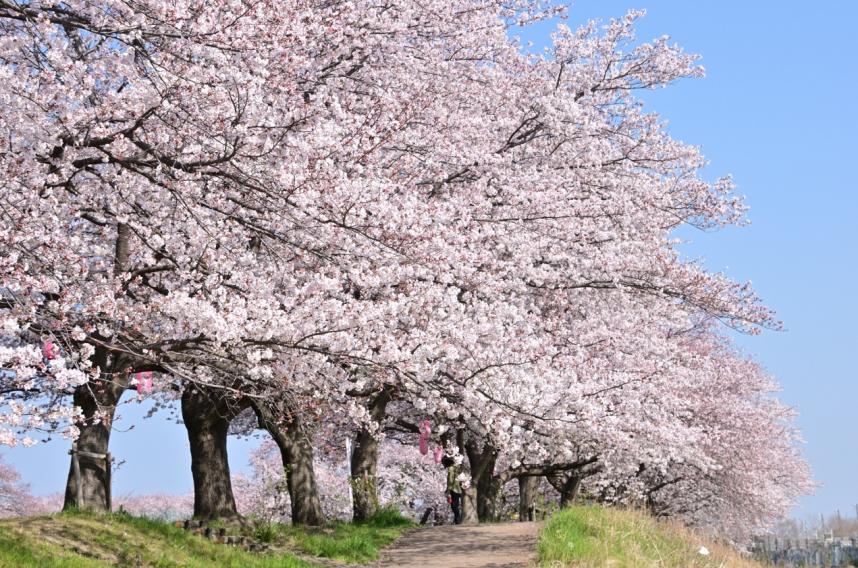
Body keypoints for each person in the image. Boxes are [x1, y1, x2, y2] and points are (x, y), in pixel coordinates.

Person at [442, 455, 463, 524]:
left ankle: (458, 519)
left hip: (454, 489)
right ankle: (457, 520)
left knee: (454, 505)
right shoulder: (457, 467)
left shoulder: (451, 468)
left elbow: (450, 480)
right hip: (459, 489)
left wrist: (448, 490)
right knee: (455, 505)